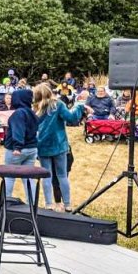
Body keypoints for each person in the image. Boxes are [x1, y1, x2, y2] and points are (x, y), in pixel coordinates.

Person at [33, 83, 85, 212]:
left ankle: (49, 204)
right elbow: (72, 118)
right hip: (59, 145)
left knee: (47, 175)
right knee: (62, 176)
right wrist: (79, 106)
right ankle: (67, 204)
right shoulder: (58, 105)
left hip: (42, 145)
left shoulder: (35, 108)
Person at [3, 89, 39, 200]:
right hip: (32, 149)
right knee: (28, 178)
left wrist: (17, 147)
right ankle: (31, 205)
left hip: (17, 150)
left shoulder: (18, 113)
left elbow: (19, 130)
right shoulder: (32, 113)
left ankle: (6, 203)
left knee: (9, 177)